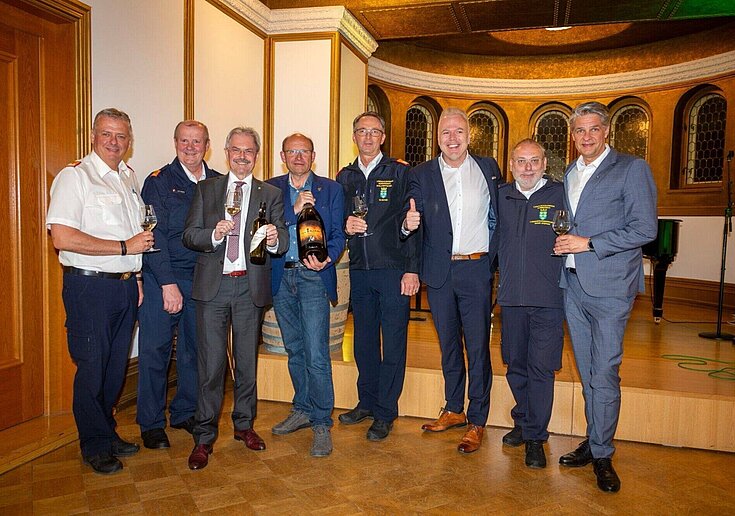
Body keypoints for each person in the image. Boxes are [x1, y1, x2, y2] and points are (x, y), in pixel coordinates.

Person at [553, 102, 657, 492]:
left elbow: (645, 228)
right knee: (587, 372)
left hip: (611, 288)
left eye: (593, 129)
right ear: (572, 135)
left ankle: (602, 453)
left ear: (607, 131)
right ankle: (594, 438)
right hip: (573, 285)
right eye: (579, 130)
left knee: (605, 372)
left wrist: (589, 243)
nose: (586, 137)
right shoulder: (569, 172)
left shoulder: (631, 168)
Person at [47, 108, 155, 475]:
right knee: (92, 367)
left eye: (121, 136)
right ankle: (93, 444)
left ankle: (107, 432)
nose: (114, 141)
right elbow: (62, 237)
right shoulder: (75, 177)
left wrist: (136, 279)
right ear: (93, 136)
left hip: (124, 288)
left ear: (129, 141)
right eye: (107, 134)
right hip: (89, 287)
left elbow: (135, 234)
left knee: (114, 368)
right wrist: (124, 248)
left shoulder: (127, 177)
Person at [182, 126, 288, 470]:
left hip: (248, 287)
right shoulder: (206, 189)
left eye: (249, 151)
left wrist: (274, 239)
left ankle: (244, 425)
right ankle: (204, 436)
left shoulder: (270, 193)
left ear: (257, 155)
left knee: (246, 364)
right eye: (236, 150)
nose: (242, 156)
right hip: (212, 288)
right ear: (226, 153)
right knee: (211, 366)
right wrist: (213, 235)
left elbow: (283, 239)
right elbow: (189, 235)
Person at [403, 107, 501, 454]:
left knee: (477, 347)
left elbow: (499, 217)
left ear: (469, 136)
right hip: (439, 272)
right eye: (446, 132)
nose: (453, 138)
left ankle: (477, 419)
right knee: (448, 345)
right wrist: (406, 225)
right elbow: (409, 217)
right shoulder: (421, 173)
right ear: (437, 138)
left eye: (459, 131)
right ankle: (454, 408)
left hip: (476, 269)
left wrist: (496, 263)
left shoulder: (488, 169)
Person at [335, 112, 420, 441]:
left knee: (394, 343)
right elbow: (337, 217)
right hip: (360, 269)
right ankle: (367, 402)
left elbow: (413, 220)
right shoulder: (345, 176)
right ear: (354, 136)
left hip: (393, 270)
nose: (368, 137)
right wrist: (345, 225)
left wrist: (412, 268)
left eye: (374, 132)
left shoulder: (400, 172)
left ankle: (385, 411)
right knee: (364, 342)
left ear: (383, 137)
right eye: (362, 131)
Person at [136, 120, 219, 450]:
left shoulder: (218, 183)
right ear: (175, 143)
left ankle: (185, 411)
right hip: (164, 278)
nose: (190, 147)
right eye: (184, 141)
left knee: (194, 351)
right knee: (155, 351)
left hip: (203, 281)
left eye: (197, 141)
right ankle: (151, 423)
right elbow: (152, 235)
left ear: (207, 146)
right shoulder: (158, 182)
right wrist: (168, 283)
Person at [266, 133, 346, 457]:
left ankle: (322, 422)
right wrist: (293, 210)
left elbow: (338, 234)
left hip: (313, 277)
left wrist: (329, 257)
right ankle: (302, 408)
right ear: (282, 156)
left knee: (316, 353)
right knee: (294, 349)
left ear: (313, 156)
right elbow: (264, 230)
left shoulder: (332, 189)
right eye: (292, 151)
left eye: (304, 152)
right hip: (281, 276)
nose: (298, 157)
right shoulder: (270, 188)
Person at [497, 139, 565, 469]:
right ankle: (523, 421)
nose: (527, 168)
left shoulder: (561, 195)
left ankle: (536, 436)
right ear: (511, 165)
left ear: (544, 164)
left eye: (534, 161)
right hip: (511, 299)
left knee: (541, 368)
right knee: (516, 365)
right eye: (521, 161)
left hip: (548, 299)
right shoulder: (501, 196)